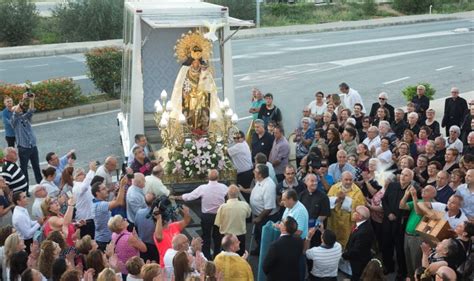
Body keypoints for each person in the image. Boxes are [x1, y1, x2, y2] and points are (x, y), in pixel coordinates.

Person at [172, 169, 228, 259]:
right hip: (219, 215)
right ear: (218, 177)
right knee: (218, 236)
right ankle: (218, 255)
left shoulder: (203, 188)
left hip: (206, 216)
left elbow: (190, 196)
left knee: (206, 237)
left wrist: (178, 197)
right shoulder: (224, 187)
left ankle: (206, 256)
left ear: (207, 177)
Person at [399, 185, 442, 279]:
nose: (423, 190)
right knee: (408, 261)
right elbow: (402, 205)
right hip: (407, 235)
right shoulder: (419, 201)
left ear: (433, 194)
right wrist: (406, 195)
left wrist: (414, 196)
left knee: (416, 263)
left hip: (418, 237)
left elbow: (419, 212)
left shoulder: (433, 205)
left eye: (427, 190)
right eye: (424, 189)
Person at [381, 168, 414, 279]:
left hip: (401, 223)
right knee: (386, 245)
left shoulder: (413, 191)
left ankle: (401, 273)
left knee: (400, 250)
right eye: (402, 174)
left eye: (406, 175)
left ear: (411, 178)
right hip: (387, 221)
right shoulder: (392, 186)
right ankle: (388, 266)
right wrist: (389, 213)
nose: (403, 177)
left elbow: (410, 208)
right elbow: (384, 200)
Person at [327, 171, 365, 248]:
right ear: (341, 179)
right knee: (333, 239)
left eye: (351, 180)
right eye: (346, 179)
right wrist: (337, 199)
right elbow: (327, 200)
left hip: (348, 221)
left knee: (346, 242)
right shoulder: (334, 188)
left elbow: (361, 207)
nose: (348, 182)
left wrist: (345, 200)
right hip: (334, 219)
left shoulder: (357, 191)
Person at [10, 93, 42, 186]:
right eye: (17, 108)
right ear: (14, 111)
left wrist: (32, 100)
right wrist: (23, 99)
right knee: (24, 169)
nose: (20, 109)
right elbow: (17, 109)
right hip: (23, 148)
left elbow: (31, 110)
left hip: (32, 145)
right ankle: (25, 187)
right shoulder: (13, 120)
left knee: (36, 166)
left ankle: (40, 183)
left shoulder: (25, 117)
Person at [248, 164, 279, 255]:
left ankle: (265, 254)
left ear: (260, 174)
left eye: (255, 171)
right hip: (259, 215)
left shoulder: (268, 186)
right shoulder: (259, 180)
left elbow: (269, 207)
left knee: (265, 237)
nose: (253, 172)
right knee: (258, 236)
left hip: (266, 217)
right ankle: (259, 250)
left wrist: (259, 218)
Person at [263, 216, 304, 281]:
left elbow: (265, 266)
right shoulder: (299, 241)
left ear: (284, 228)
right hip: (293, 277)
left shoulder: (275, 245)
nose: (280, 223)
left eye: (282, 222)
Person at [214, 185, 251, 256]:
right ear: (238, 194)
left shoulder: (222, 207)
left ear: (228, 194)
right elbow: (248, 215)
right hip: (240, 236)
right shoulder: (245, 205)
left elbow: (217, 223)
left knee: (226, 258)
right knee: (240, 257)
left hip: (227, 237)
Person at [91, 176, 127, 251]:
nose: (107, 190)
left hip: (101, 239)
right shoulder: (101, 205)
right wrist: (122, 185)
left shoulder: (95, 203)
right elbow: (119, 202)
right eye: (103, 189)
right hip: (104, 242)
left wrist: (117, 192)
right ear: (97, 193)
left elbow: (113, 202)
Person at [153, 202, 191, 268]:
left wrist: (186, 212)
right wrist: (159, 218)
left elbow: (186, 221)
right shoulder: (157, 233)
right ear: (165, 221)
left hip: (180, 260)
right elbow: (158, 237)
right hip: (168, 264)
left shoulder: (174, 226)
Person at [342, 206, 375, 281]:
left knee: (357, 274)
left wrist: (344, 255)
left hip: (359, 260)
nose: (353, 213)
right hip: (359, 256)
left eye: (356, 212)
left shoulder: (363, 232)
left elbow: (356, 250)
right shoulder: (362, 224)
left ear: (360, 217)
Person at [299, 174, 330, 247]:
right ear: (306, 182)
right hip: (303, 228)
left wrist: (313, 227)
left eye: (316, 181)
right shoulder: (301, 195)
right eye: (312, 181)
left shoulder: (323, 196)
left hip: (316, 230)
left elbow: (324, 215)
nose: (315, 183)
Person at [134, 192, 159, 263]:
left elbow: (136, 226)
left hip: (143, 244)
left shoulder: (139, 213)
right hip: (155, 246)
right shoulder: (160, 215)